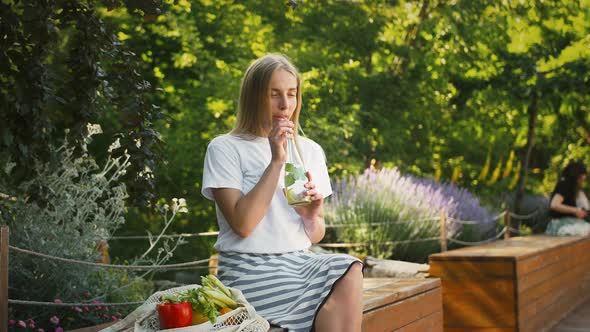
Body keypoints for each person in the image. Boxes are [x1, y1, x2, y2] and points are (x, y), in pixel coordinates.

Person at [201, 54, 363, 332]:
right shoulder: (225, 148)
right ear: (254, 97)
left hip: (299, 263)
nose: (285, 105)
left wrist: (312, 216)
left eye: (292, 94)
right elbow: (243, 225)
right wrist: (276, 160)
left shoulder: (308, 150)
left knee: (350, 268)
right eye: (274, 94)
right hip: (248, 270)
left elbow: (314, 234)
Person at [545, 161, 590, 236]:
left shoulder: (575, 189)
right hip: (560, 224)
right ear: (576, 176)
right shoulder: (564, 185)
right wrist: (575, 210)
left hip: (571, 222)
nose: (581, 181)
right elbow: (554, 205)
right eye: (580, 178)